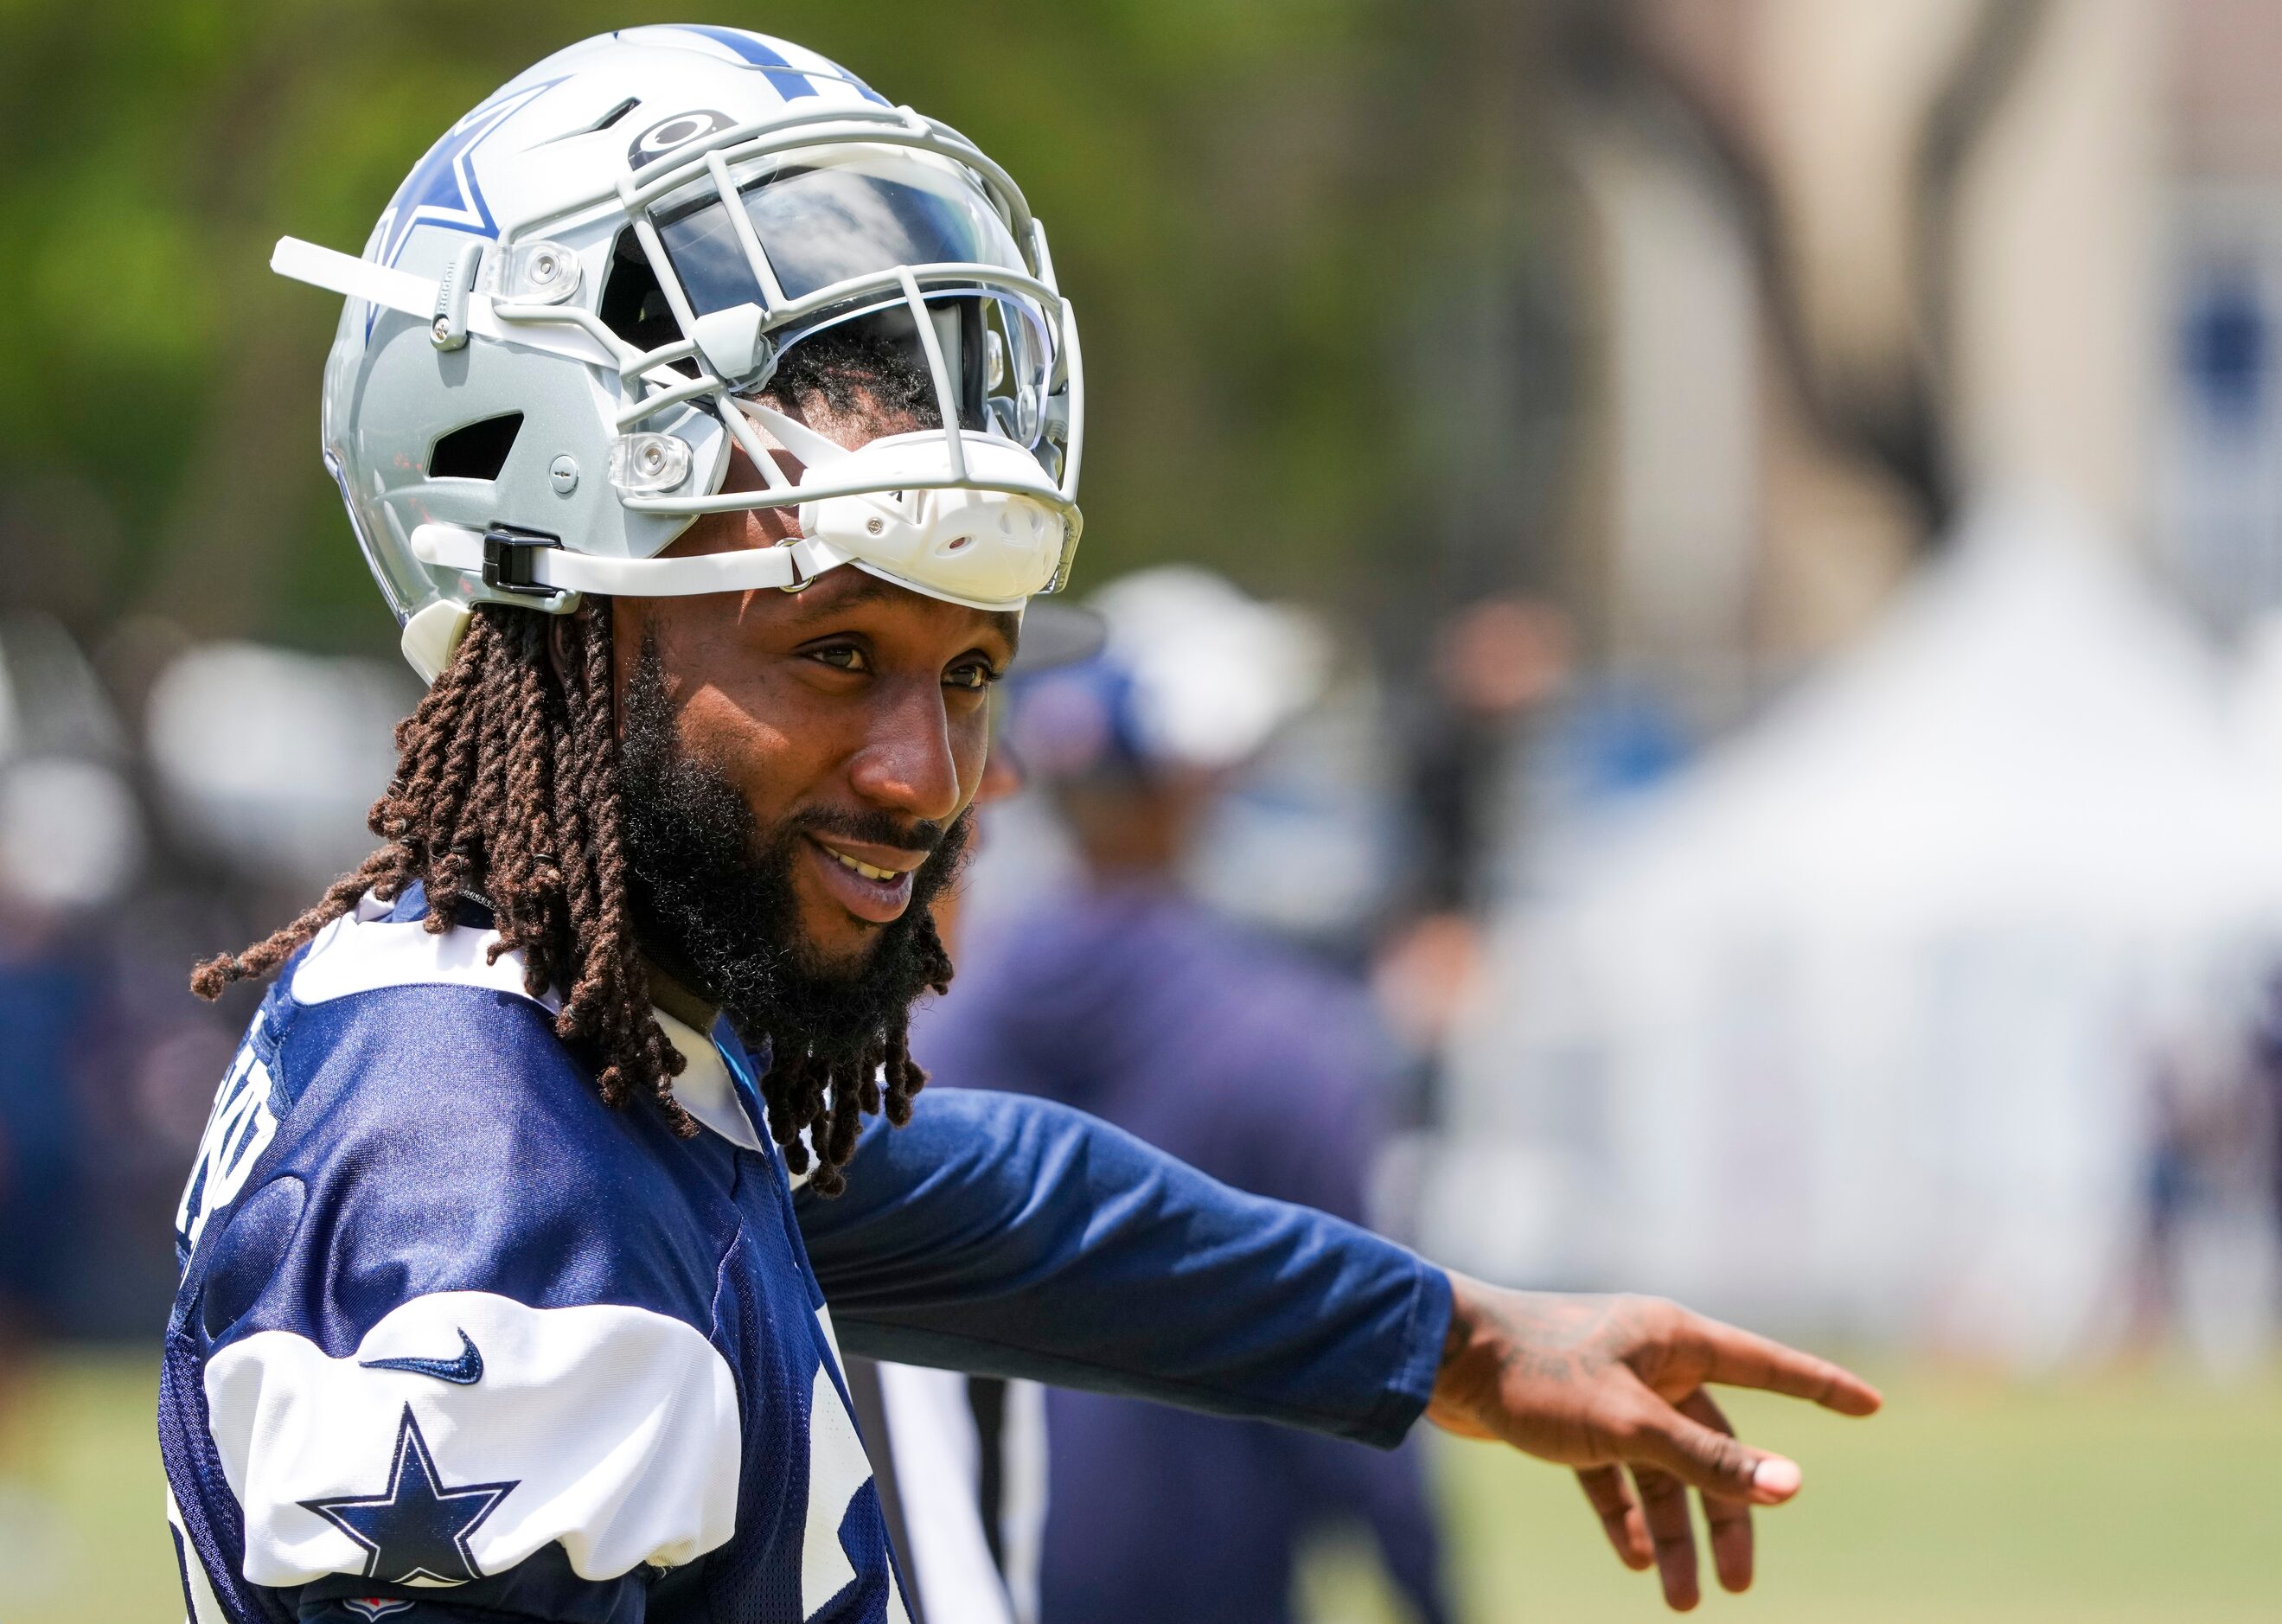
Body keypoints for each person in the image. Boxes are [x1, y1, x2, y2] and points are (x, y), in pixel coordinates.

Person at [159, 28, 1879, 1624]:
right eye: (834, 652)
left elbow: (1001, 1206)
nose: (925, 778)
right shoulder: (504, 1215)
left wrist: (1460, 1338)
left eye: (969, 672)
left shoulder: (552, 1035)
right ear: (558, 614)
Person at [919, 567, 1452, 1624]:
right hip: (1218, 1578)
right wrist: (1430, 1593)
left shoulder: (927, 1030)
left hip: (964, 1580)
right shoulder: (1282, 1040)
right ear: (1198, 779)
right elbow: (1346, 1352)